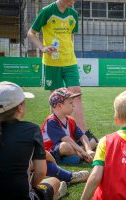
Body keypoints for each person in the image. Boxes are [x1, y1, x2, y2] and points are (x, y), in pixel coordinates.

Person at [0, 81, 66, 199]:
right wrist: (32, 186)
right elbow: (41, 172)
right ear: (20, 107)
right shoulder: (31, 130)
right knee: (54, 181)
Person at [27, 0, 90, 135]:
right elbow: (31, 33)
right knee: (56, 99)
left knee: (77, 94)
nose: (73, 2)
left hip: (70, 60)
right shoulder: (47, 11)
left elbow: (70, 36)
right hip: (52, 62)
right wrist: (42, 48)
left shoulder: (73, 14)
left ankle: (82, 133)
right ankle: (56, 133)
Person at [41, 88, 96, 165]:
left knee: (92, 140)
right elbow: (66, 140)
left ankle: (81, 156)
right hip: (52, 150)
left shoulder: (70, 120)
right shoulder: (51, 121)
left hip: (72, 146)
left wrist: (88, 150)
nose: (73, 105)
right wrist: (82, 151)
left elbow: (82, 136)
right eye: (70, 103)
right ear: (59, 106)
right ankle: (81, 156)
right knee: (65, 146)